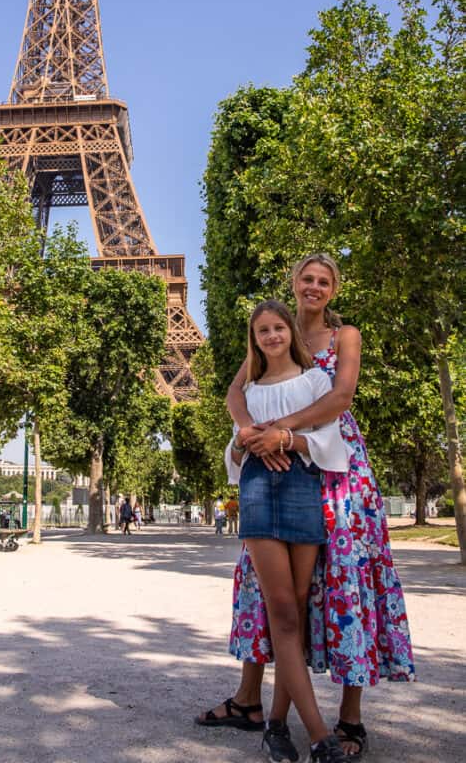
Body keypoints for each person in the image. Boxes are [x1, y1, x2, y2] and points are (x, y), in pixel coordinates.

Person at [196, 253, 415, 760]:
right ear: (293, 283)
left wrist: (282, 432)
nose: (313, 287)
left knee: (347, 580)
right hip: (278, 463)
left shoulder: (345, 337)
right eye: (307, 278)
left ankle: (350, 719)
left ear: (333, 290)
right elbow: (236, 390)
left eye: (324, 281)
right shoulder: (277, 333)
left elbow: (340, 399)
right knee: (268, 588)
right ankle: (253, 704)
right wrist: (252, 431)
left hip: (334, 465)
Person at [228, 299, 351, 763]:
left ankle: (276, 724)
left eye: (278, 327)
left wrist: (285, 438)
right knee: (281, 612)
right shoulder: (251, 392)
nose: (272, 336)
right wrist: (249, 440)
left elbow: (329, 439)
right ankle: (321, 736)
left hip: (302, 488)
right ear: (255, 339)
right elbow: (235, 452)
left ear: (289, 332)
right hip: (259, 492)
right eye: (263, 331)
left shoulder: (317, 381)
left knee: (295, 615)